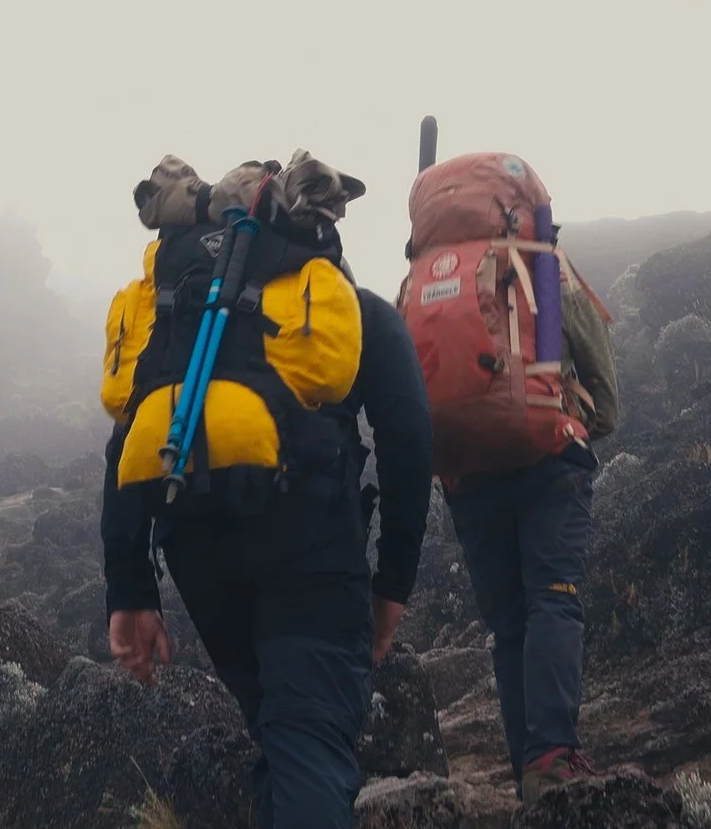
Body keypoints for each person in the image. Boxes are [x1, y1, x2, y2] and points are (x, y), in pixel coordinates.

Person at [101, 155, 433, 829]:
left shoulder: (179, 322)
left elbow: (127, 442)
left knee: (281, 736)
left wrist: (130, 591)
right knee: (308, 737)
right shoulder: (350, 309)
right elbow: (408, 439)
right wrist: (393, 584)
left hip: (193, 543)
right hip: (306, 542)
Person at [400, 151, 623, 803]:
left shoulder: (417, 280)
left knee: (508, 622)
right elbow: (598, 380)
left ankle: (529, 755)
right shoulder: (538, 264)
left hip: (466, 471)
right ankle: (551, 756)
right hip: (547, 457)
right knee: (553, 597)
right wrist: (590, 426)